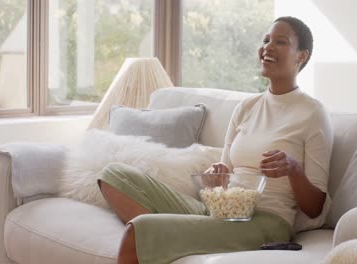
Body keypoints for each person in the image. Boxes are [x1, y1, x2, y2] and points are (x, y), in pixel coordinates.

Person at [98, 16, 333, 264]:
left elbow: (315, 208)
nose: (267, 47)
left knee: (139, 230)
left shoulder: (312, 113)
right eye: (266, 40)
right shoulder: (247, 107)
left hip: (266, 221)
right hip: (222, 211)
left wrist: (293, 170)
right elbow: (223, 176)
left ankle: (162, 235)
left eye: (281, 42)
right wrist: (216, 175)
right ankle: (173, 238)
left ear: (301, 56)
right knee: (113, 176)